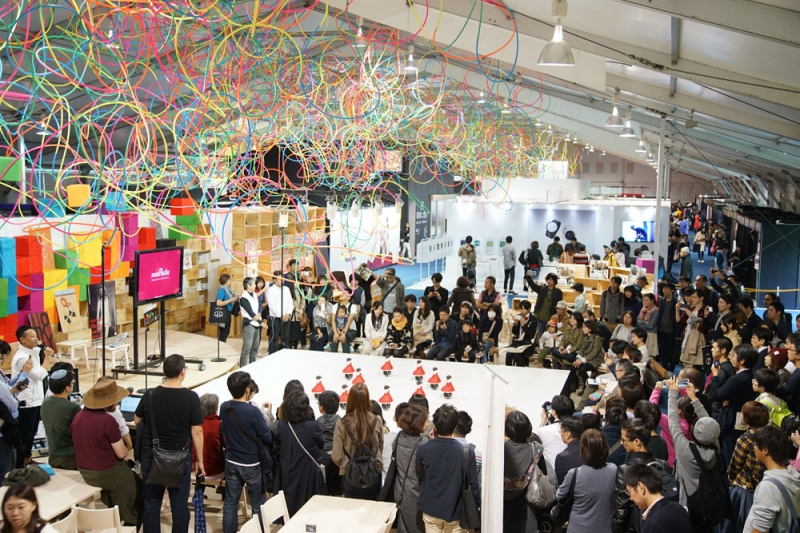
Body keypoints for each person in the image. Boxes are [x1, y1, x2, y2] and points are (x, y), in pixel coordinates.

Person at [134, 354, 204, 533]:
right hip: (180, 457)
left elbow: (137, 420)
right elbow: (197, 431)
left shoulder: (150, 395)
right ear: (182, 372)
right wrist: (200, 460)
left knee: (151, 505)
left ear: (164, 372)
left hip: (152, 455)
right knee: (179, 507)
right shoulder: (191, 397)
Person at [72, 377, 142, 526]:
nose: (118, 403)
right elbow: (122, 453)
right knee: (137, 491)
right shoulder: (107, 421)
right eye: (116, 400)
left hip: (85, 470)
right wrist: (127, 451)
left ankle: (115, 513)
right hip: (105, 472)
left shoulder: (78, 417)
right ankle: (129, 521)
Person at [666, 377, 726, 532]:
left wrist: (672, 394)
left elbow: (673, 422)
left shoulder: (686, 451)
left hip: (688, 503)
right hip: (709, 502)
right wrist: (694, 399)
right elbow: (709, 424)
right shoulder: (715, 446)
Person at [415, 404, 480, 532]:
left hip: (430, 508)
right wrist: (477, 505)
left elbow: (420, 475)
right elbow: (473, 484)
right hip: (456, 511)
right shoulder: (466, 452)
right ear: (455, 426)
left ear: (435, 426)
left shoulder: (423, 449)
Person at [612, 418, 671, 533]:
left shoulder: (625, 470)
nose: (621, 443)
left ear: (637, 442)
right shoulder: (662, 465)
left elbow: (621, 510)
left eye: (624, 440)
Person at [274, 390, 326, 517]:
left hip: (287, 472)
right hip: (308, 473)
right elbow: (321, 445)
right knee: (311, 511)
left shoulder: (281, 426)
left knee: (289, 510)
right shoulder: (313, 426)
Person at [707, 344, 759, 469]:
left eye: (734, 356)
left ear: (742, 360)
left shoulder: (736, 379)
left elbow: (717, 395)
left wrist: (715, 376)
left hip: (731, 419)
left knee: (728, 453)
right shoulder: (752, 376)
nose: (732, 358)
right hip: (743, 417)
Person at [555, 429, 617, 533]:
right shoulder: (613, 470)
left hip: (577, 528)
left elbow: (559, 496)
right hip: (605, 527)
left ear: (583, 450)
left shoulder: (574, 474)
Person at [332, 383, 384, 500]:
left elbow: (336, 456)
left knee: (352, 509)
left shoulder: (342, 423)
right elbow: (380, 447)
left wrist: (347, 465)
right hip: (373, 474)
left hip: (350, 476)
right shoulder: (377, 420)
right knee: (373, 508)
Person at [11, 326, 53, 468]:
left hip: (36, 400)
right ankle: (19, 466)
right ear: (22, 340)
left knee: (32, 433)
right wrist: (47, 357)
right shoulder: (21, 357)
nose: (36, 339)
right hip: (27, 402)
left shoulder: (33, 352)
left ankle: (27, 459)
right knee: (24, 436)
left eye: (36, 336)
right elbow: (39, 375)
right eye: (32, 336)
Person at [744, 425, 800, 533]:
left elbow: (760, 528)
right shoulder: (794, 475)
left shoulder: (768, 488)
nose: (754, 447)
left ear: (765, 450)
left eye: (755, 444)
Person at [725, 401, 770, 533]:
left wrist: (730, 478)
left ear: (746, 419)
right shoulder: (771, 435)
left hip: (745, 490)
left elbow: (735, 465)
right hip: (764, 486)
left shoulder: (745, 439)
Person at [623, 464, 692, 533]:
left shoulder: (653, 524)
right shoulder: (679, 509)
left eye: (629, 491)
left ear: (641, 487)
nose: (631, 498)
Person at [393, 404, 428, 533]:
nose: (428, 423)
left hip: (400, 490)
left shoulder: (398, 438)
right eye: (426, 421)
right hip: (416, 493)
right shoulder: (422, 444)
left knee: (403, 526)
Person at [503, 411, 538, 533]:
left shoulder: (500, 449)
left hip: (501, 508)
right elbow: (542, 475)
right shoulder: (536, 450)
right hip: (526, 509)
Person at [39, 367, 79, 470]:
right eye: (72, 383)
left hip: (53, 455)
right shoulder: (72, 407)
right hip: (71, 457)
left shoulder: (45, 402)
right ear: (67, 388)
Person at [557, 320, 604, 396]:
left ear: (590, 329)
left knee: (583, 369)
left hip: (594, 359)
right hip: (585, 357)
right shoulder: (585, 337)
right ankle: (573, 384)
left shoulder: (597, 339)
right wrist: (578, 359)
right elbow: (581, 349)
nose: (583, 329)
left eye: (585, 327)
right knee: (573, 366)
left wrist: (582, 360)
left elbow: (594, 353)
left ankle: (587, 387)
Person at [192, 393, 223, 478]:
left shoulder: (194, 426)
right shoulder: (220, 425)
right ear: (216, 408)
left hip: (197, 469)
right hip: (217, 471)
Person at [266, 270, 295, 355]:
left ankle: (284, 354)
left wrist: (288, 313)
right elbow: (272, 305)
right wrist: (280, 315)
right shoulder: (271, 290)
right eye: (279, 279)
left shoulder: (286, 289)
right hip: (275, 317)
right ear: (274, 280)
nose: (281, 281)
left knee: (285, 337)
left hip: (286, 316)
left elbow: (290, 302)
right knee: (274, 337)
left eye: (282, 279)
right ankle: (271, 354)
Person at [502, 300, 538, 367]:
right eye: (521, 309)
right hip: (517, 342)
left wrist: (524, 326)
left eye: (524, 309)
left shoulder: (533, 320)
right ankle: (508, 370)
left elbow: (531, 335)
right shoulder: (519, 317)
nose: (522, 311)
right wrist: (516, 324)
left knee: (518, 355)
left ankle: (521, 370)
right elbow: (514, 332)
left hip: (527, 343)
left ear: (529, 309)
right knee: (509, 354)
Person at [238, 277, 264, 365]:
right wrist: (261, 322)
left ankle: (253, 364)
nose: (255, 285)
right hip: (249, 324)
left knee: (255, 346)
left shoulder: (254, 294)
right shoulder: (243, 298)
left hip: (257, 323)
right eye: (253, 284)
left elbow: (259, 306)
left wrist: (259, 313)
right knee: (247, 347)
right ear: (248, 286)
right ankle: (243, 366)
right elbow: (250, 311)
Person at [529, 272, 563, 339]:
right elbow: (533, 286)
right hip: (540, 317)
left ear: (555, 281)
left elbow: (559, 305)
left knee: (549, 337)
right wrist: (528, 277)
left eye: (551, 279)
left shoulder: (558, 292)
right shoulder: (542, 289)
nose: (549, 281)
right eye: (548, 279)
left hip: (551, 318)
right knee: (541, 336)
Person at [555, 416, 584, 485]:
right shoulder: (590, 450)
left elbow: (562, 484)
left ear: (568, 434)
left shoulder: (562, 458)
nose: (561, 434)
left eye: (561, 431)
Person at [776, 333, 800, 415]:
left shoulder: (798, 375)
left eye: (791, 349)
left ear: (799, 355)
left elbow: (782, 393)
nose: (788, 351)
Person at [215, 273, 238, 342]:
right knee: (223, 332)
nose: (231, 281)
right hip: (224, 312)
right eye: (230, 280)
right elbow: (218, 303)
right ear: (226, 281)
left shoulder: (228, 290)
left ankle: (223, 344)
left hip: (228, 312)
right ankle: (221, 345)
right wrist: (231, 300)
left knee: (227, 331)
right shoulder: (221, 291)